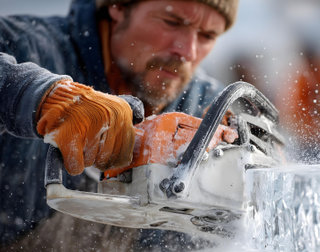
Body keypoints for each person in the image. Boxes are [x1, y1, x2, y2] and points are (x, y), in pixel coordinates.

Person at [0, 0, 239, 250]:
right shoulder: (22, 46)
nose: (187, 51)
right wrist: (36, 95)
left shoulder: (207, 107)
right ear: (118, 7)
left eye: (207, 36)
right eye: (172, 22)